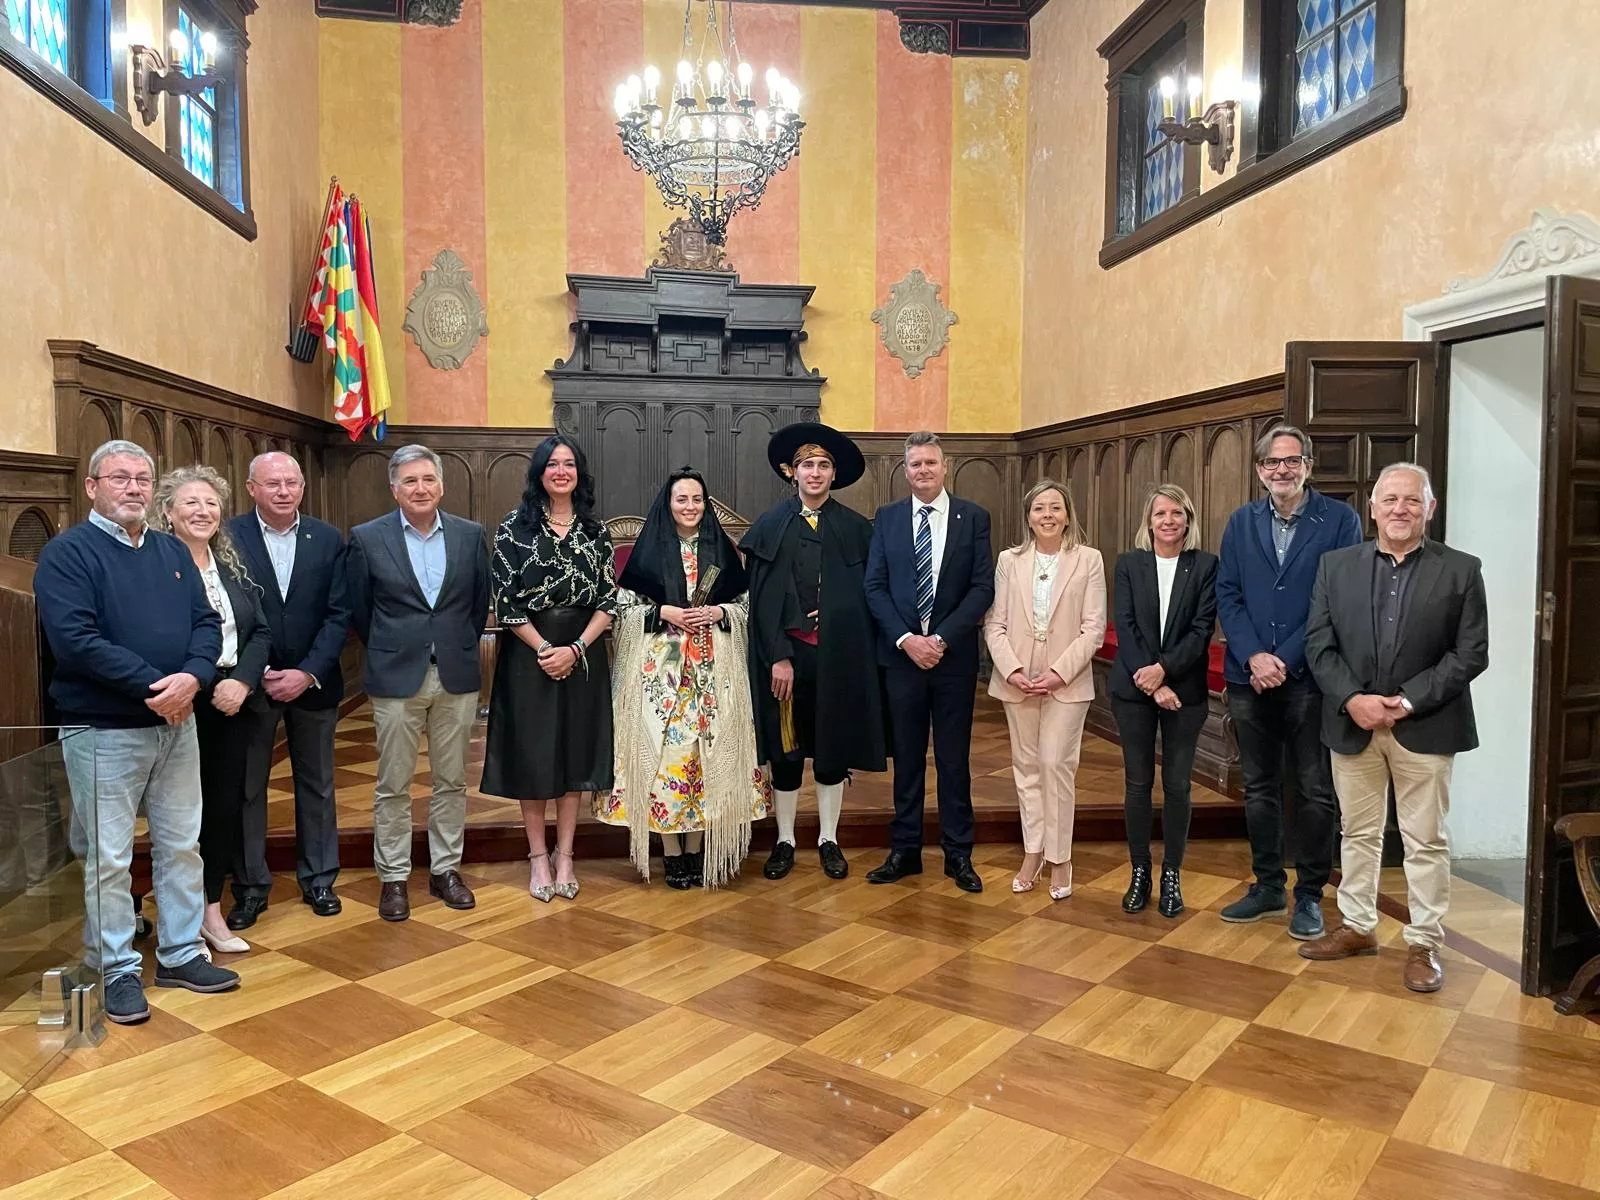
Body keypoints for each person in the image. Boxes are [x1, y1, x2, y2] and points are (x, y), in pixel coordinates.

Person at [34, 440, 240, 1025]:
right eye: (119, 478)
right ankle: (117, 968)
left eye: (142, 479)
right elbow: (76, 642)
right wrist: (163, 689)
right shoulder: (68, 554)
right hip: (105, 729)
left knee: (181, 844)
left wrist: (194, 679)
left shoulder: (171, 552)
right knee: (107, 857)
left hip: (178, 726)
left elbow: (208, 622)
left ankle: (178, 953)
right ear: (92, 487)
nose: (132, 488)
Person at [1300, 463, 1487, 993]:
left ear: (1429, 509)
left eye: (1411, 500)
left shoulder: (1462, 570)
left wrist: (1403, 703)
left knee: (1424, 840)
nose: (1399, 509)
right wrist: (1354, 699)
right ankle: (1358, 926)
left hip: (1425, 726)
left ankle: (1424, 942)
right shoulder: (1335, 566)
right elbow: (1319, 644)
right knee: (1356, 834)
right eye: (1390, 499)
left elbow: (1471, 653)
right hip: (1353, 723)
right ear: (1373, 508)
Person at [1215, 423, 1362, 939]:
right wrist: (1255, 655)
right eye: (1273, 463)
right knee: (1258, 787)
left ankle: (1309, 895)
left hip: (1310, 677)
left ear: (1308, 466)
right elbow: (1227, 595)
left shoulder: (1341, 520)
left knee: (1315, 789)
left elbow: (1340, 599)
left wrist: (1286, 658)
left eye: (1292, 461)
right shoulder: (1241, 522)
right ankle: (1268, 886)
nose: (1282, 470)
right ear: (1259, 471)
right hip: (1248, 677)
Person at [598, 468, 769, 888]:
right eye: (682, 500)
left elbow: (748, 607)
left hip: (713, 674)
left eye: (697, 500)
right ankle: (671, 851)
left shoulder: (722, 551)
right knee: (666, 761)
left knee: (702, 760)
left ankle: (696, 848)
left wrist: (719, 612)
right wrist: (664, 613)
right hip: (661, 676)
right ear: (668, 504)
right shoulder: (649, 550)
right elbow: (622, 609)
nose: (690, 507)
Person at [346, 444, 489, 922]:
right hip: (395, 676)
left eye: (428, 479)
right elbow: (361, 611)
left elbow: (476, 604)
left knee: (451, 780)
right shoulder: (367, 538)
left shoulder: (470, 536)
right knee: (393, 784)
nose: (420, 488)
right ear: (394, 489)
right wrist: (394, 645)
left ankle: (446, 869)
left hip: (456, 673)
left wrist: (453, 644)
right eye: (410, 481)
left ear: (441, 485)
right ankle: (394, 877)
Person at [740, 422, 885, 881]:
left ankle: (828, 839)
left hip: (839, 658)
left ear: (833, 474)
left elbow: (869, 595)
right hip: (786, 659)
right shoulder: (769, 527)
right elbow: (760, 600)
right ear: (792, 472)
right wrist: (778, 655)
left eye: (823, 465)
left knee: (831, 750)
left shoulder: (857, 529)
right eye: (807, 465)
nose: (816, 472)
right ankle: (784, 839)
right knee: (785, 752)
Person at [482, 435, 615, 902]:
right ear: (538, 473)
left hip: (583, 654)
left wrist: (575, 649)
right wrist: (545, 650)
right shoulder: (512, 529)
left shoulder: (596, 531)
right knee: (534, 754)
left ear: (579, 473)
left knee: (574, 753)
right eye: (552, 464)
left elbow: (607, 601)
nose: (562, 471)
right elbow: (505, 601)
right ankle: (537, 856)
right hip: (528, 654)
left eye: (570, 464)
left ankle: (566, 855)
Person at [864, 432, 995, 893]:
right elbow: (874, 587)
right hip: (901, 660)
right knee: (908, 760)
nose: (923, 470)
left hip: (953, 660)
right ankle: (905, 851)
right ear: (905, 471)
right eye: (915, 463)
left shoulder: (973, 518)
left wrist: (938, 638)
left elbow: (982, 588)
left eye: (930, 463)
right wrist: (907, 640)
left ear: (946, 467)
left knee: (955, 760)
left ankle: (959, 854)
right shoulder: (888, 519)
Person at [225, 452, 349, 930]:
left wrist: (308, 672)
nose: (283, 491)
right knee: (247, 787)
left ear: (302, 487)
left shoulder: (327, 538)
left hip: (314, 684)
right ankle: (251, 886)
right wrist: (255, 674)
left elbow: (340, 614)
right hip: (249, 686)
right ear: (251, 487)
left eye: (291, 483)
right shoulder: (228, 535)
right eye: (272, 483)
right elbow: (226, 613)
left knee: (317, 784)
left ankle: (319, 879)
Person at [154, 466, 274, 957]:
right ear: (167, 512)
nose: (203, 512)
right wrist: (201, 684)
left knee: (221, 811)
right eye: (190, 504)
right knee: (177, 818)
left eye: (210, 503)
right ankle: (175, 920)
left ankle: (209, 911)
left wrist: (243, 681)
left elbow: (261, 631)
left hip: (232, 702)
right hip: (182, 703)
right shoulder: (157, 564)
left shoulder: (230, 563)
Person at [983, 479, 1105, 901]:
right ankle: (1033, 851)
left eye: (1055, 507)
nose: (1048, 515)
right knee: (1027, 769)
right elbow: (994, 624)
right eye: (1039, 509)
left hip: (1065, 681)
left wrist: (1058, 672)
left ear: (1068, 513)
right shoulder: (1009, 561)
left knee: (1057, 764)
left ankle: (1061, 856)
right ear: (1028, 517)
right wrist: (1013, 669)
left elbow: (1094, 628)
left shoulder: (1088, 560)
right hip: (1018, 679)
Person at [1109, 484, 1218, 917]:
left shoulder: (1205, 565)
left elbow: (1201, 629)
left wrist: (1165, 672)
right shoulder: (1129, 564)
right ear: (1148, 521)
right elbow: (1126, 623)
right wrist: (1153, 683)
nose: (1169, 520)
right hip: (1133, 690)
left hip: (1185, 693)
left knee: (1176, 785)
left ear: (1188, 519)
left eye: (1177, 513)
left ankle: (1172, 874)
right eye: (1160, 514)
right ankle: (1140, 872)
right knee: (1137, 784)